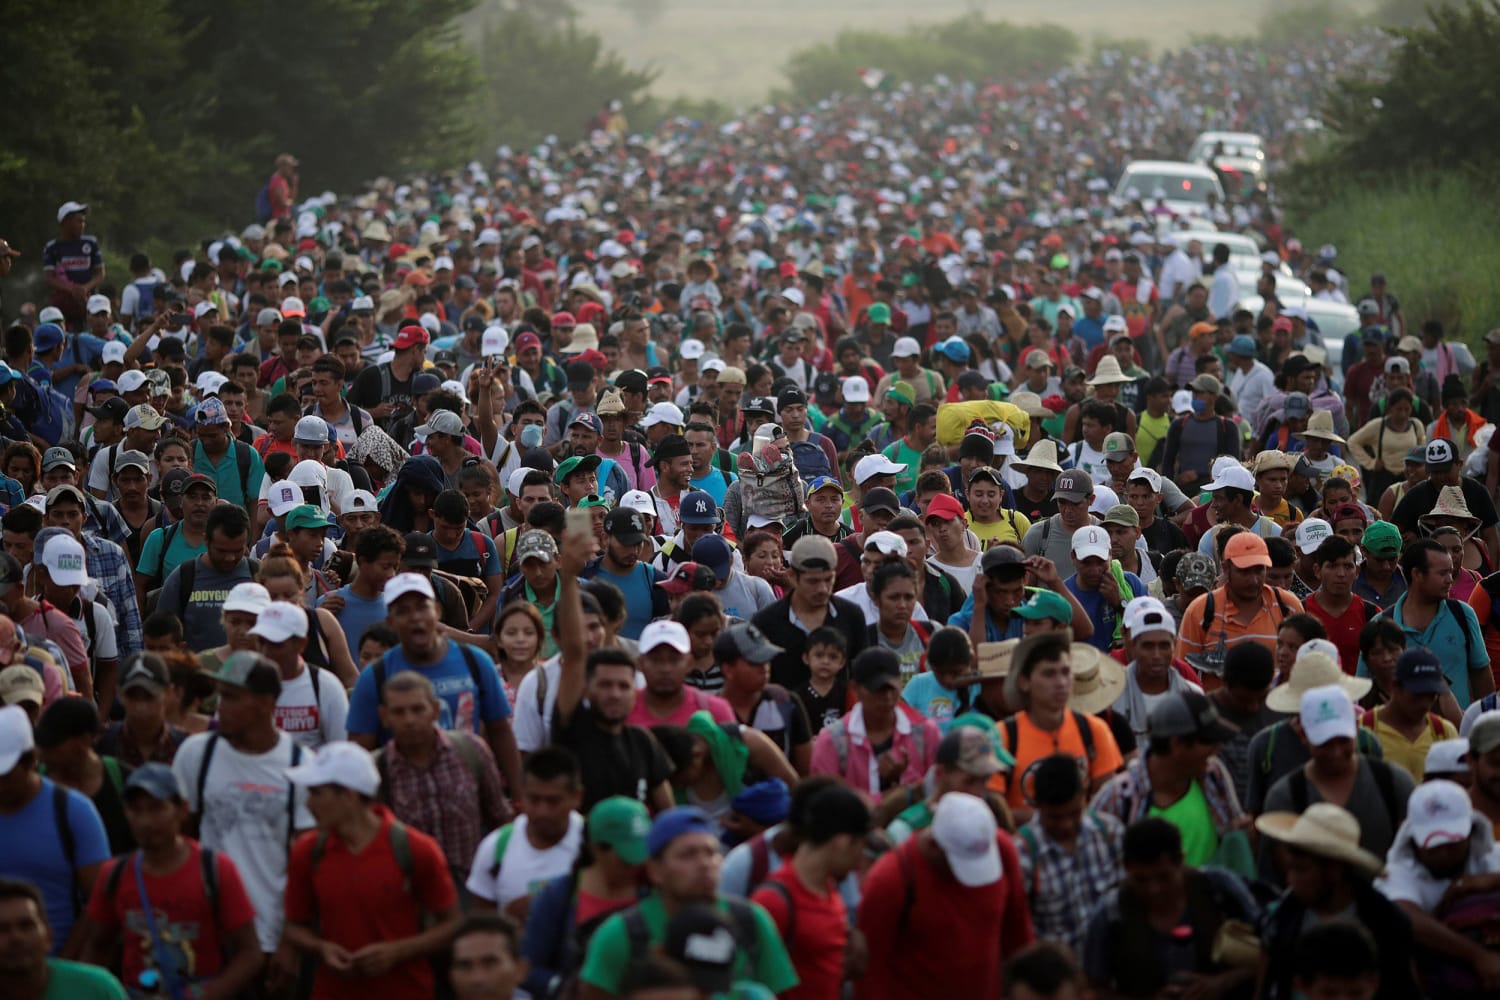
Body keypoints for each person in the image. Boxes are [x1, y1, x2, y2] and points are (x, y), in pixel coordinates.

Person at [170, 652, 314, 977]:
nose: (220, 706)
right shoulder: (196, 755)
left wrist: (290, 944)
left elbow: (305, 866)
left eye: (232, 697)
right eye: (220, 695)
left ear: (265, 703)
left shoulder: (301, 766)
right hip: (206, 936)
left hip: (271, 941)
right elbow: (181, 839)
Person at [282, 741, 463, 1000]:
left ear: (349, 795)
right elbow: (292, 926)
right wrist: (322, 949)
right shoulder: (307, 852)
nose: (309, 805)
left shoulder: (416, 849)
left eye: (316, 794)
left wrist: (398, 951)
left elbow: (454, 925)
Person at [77, 763, 263, 999]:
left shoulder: (215, 870)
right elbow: (97, 947)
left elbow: (250, 953)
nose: (145, 821)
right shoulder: (115, 874)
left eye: (156, 809)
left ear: (182, 810)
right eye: (136, 810)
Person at [577, 805, 798, 997]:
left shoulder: (751, 921)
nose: (704, 864)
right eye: (688, 855)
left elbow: (777, 992)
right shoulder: (620, 935)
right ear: (655, 870)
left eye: (711, 853)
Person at [346, 572, 520, 797]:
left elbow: (500, 731)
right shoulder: (375, 677)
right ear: (390, 622)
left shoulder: (476, 663)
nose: (415, 617)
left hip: (467, 799)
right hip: (404, 805)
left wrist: (519, 797)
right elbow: (360, 753)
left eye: (421, 607)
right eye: (403, 611)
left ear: (436, 611)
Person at [857, 792, 1034, 999]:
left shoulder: (998, 850)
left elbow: (1018, 936)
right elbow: (870, 973)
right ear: (934, 845)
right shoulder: (890, 880)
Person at [552, 525, 675, 813]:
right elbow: (574, 651)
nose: (614, 694)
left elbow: (666, 812)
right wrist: (568, 576)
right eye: (605, 685)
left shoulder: (643, 743)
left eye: (623, 686)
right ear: (588, 689)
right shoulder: (573, 727)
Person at [1081, 817, 1259, 999]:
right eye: (1141, 880)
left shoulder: (1219, 890)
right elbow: (1094, 990)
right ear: (1126, 868)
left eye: (1163, 877)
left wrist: (1222, 982)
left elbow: (1272, 954)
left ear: (1180, 861)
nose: (1154, 889)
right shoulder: (1110, 914)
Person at [1256, 802, 1419, 1000]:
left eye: (1301, 870)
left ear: (1334, 869)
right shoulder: (1282, 917)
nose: (1291, 880)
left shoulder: (1387, 923)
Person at [1259, 685, 1414, 881]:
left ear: (1357, 730)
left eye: (1343, 741)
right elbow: (1275, 874)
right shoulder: (1285, 796)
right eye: (1324, 743)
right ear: (1303, 736)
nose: (1336, 752)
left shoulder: (1393, 783)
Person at [0, 702, 110, 957]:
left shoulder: (75, 812)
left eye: (5, 776)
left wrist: (63, 966)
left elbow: (99, 902)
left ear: (30, 762)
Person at [520, 796, 653, 1000]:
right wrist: (566, 988)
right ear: (596, 849)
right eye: (626, 860)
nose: (636, 867)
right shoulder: (559, 895)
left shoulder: (652, 891)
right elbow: (528, 967)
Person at [1375, 779, 1500, 991]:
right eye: (1434, 844)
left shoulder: (1492, 858)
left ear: (1471, 830)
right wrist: (1478, 956)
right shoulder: (1396, 873)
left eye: (1453, 842)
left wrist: (1490, 881)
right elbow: (1405, 917)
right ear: (1413, 838)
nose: (1444, 851)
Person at [749, 782, 870, 1000]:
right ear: (842, 842)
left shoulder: (831, 890)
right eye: (859, 847)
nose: (859, 861)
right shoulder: (772, 902)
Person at [994, 630, 1124, 818]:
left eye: (1066, 672)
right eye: (1049, 674)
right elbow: (995, 811)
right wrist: (1056, 818)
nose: (1061, 682)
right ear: (1024, 682)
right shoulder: (1002, 737)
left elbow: (1108, 802)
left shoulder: (1094, 730)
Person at [1013, 752, 1124, 955]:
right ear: (1037, 805)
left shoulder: (1110, 833)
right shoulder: (1023, 853)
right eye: (1054, 817)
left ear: (1084, 797)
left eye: (1074, 813)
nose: (1066, 824)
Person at [467, 746, 584, 921]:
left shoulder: (593, 845)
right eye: (534, 799)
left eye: (553, 801)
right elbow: (481, 926)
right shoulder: (495, 849)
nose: (542, 811)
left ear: (577, 797)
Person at [811, 648, 940, 804]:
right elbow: (825, 805)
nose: (886, 697)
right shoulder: (831, 741)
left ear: (900, 684)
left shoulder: (925, 732)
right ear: (856, 689)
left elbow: (941, 790)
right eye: (877, 690)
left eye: (891, 689)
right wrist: (899, 793)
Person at [1177, 532, 1303, 677]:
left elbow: (1304, 665)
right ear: (1226, 569)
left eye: (1259, 570)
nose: (1254, 580)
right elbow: (1184, 674)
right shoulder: (1200, 611)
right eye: (1244, 572)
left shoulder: (1288, 606)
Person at [753, 536, 868, 691]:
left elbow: (862, 674)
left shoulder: (851, 616)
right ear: (792, 576)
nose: (822, 589)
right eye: (813, 582)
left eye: (828, 580)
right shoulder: (766, 622)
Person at [1389, 537, 1493, 706]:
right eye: (1442, 573)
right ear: (1417, 574)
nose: (1450, 580)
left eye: (1450, 573)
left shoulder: (1463, 614)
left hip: (1458, 730)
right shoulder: (1384, 624)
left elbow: (1481, 674)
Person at [0, 876, 128, 999]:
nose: (16, 937)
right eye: (2, 929)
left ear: (48, 937)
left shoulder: (97, 989)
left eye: (26, 926)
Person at [886, 721, 1012, 843]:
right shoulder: (905, 830)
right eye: (969, 781)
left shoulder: (994, 815)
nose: (978, 792)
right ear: (940, 774)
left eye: (984, 780)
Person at [155, 504, 257, 651]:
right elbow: (162, 637)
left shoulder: (257, 575)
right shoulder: (183, 578)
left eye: (237, 551)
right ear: (206, 541)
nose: (230, 558)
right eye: (222, 551)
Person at [715, 622, 813, 774]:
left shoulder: (786, 704)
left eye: (766, 659)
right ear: (728, 669)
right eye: (755, 661)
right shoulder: (710, 712)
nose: (764, 668)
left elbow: (806, 770)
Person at [250, 601, 349, 750]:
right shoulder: (242, 683)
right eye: (261, 642)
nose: (265, 651)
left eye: (276, 644)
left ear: (301, 644)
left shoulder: (326, 686)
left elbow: (341, 751)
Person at [1361, 648, 1459, 779]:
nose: (1425, 703)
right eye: (1418, 695)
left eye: (1432, 695)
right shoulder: (1363, 731)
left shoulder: (1444, 733)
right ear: (1395, 686)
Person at [96, 652, 188, 767]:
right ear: (119, 694)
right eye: (132, 697)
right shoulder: (100, 745)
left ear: (168, 693)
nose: (141, 707)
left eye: (150, 696)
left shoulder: (186, 749)